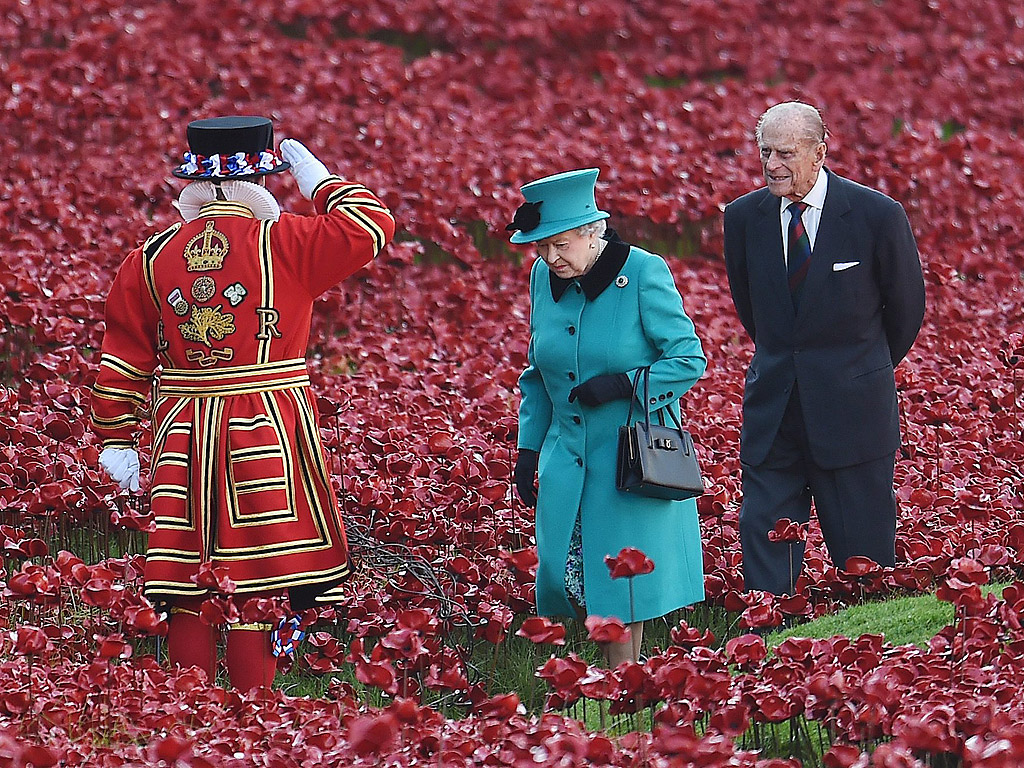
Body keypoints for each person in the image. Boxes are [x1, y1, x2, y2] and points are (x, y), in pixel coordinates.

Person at [90, 115, 396, 689]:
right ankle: (253, 714)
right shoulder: (286, 241)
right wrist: (321, 182)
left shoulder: (151, 257)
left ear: (193, 184)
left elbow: (124, 353)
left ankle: (187, 711)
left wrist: (115, 438)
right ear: (263, 180)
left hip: (180, 426)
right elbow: (371, 228)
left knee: (187, 573)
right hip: (268, 425)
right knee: (257, 571)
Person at [723, 101, 925, 596]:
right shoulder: (743, 218)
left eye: (786, 153)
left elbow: (905, 312)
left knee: (866, 569)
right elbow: (755, 313)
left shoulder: (877, 215)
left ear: (820, 152)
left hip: (854, 417)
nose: (773, 165)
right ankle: (766, 655)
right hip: (774, 414)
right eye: (765, 151)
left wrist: (857, 370)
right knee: (765, 561)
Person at [509, 168, 707, 666]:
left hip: (630, 460)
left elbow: (688, 359)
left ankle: (623, 705)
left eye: (561, 245)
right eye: (541, 248)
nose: (551, 258)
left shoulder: (642, 273)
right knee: (568, 582)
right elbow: (537, 373)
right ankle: (623, 696)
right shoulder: (543, 278)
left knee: (622, 590)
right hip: (566, 461)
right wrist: (527, 450)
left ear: (592, 233)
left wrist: (625, 385)